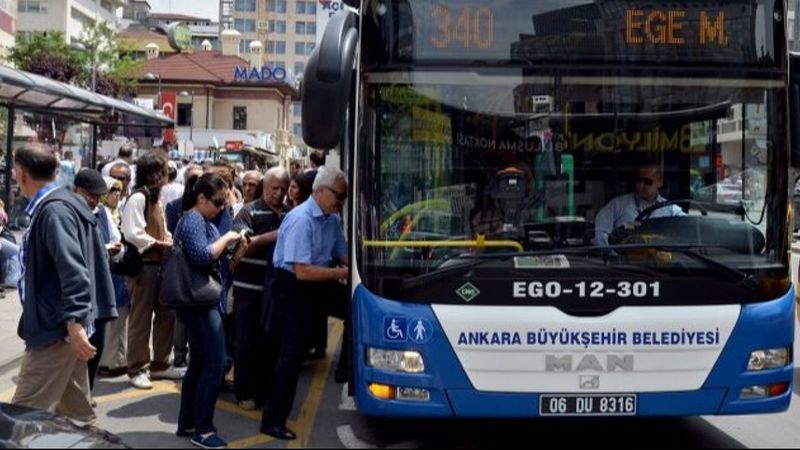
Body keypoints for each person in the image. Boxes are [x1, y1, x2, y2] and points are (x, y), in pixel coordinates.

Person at [11, 144, 116, 424]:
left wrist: (74, 323)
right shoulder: (63, 204)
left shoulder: (55, 211)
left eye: (14, 171)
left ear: (21, 175)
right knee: (78, 417)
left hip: (56, 332)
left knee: (20, 420)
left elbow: (74, 271)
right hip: (64, 329)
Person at [260, 167, 350, 440]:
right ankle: (272, 420)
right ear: (321, 192)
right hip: (294, 286)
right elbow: (302, 271)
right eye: (340, 196)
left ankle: (348, 369)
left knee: (357, 307)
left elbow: (343, 256)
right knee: (292, 354)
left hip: (319, 282)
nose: (341, 203)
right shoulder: (301, 219)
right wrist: (344, 273)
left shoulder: (332, 220)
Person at [173, 173, 246, 449]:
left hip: (204, 301)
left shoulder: (203, 220)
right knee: (215, 364)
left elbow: (218, 258)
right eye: (217, 203)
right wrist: (227, 235)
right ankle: (202, 430)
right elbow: (203, 256)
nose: (220, 208)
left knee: (201, 364)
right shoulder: (192, 219)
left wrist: (236, 249)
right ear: (200, 198)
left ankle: (188, 422)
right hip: (199, 303)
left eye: (224, 203)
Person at [122, 151, 182, 390]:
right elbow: (132, 233)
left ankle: (159, 364)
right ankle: (137, 367)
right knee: (141, 318)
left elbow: (161, 229)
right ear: (154, 174)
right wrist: (158, 243)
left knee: (165, 314)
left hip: (160, 265)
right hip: (144, 266)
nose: (167, 175)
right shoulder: (139, 198)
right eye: (164, 170)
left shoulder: (156, 199)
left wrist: (166, 239)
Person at [230, 167, 289, 411]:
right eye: (274, 188)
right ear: (265, 187)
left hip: (276, 291)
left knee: (271, 343)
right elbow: (240, 247)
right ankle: (244, 391)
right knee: (246, 342)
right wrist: (276, 235)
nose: (278, 194)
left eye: (283, 190)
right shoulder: (249, 211)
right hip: (249, 290)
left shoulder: (289, 213)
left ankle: (264, 392)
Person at [593, 163, 685, 246]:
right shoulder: (617, 205)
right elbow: (600, 232)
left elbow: (688, 229)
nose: (641, 185)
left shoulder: (671, 210)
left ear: (660, 182)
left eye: (647, 182)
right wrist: (612, 255)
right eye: (638, 180)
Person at [97, 176, 132, 378]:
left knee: (120, 317)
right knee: (111, 318)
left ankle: (118, 360)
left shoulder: (118, 213)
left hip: (118, 271)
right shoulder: (102, 213)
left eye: (118, 191)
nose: (116, 195)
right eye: (112, 191)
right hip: (109, 271)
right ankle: (108, 362)